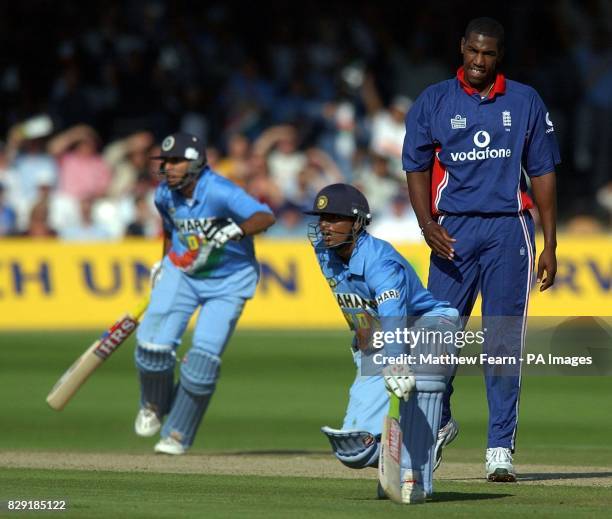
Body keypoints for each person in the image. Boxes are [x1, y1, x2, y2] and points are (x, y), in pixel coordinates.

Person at [403, 17, 560, 482]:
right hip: (452, 233)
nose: (478, 60)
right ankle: (438, 423)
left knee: (502, 344)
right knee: (437, 343)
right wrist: (426, 222)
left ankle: (499, 450)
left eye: (488, 54)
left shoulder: (525, 100)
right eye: (473, 51)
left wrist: (551, 242)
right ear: (462, 48)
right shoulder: (434, 100)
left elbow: (544, 173)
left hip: (509, 231)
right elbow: (414, 166)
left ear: (499, 56)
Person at [305, 183, 459, 503]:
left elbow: (393, 314)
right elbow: (352, 302)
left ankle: (422, 459)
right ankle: (406, 455)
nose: (324, 226)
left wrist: (395, 360)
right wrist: (364, 337)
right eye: (322, 218)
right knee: (354, 449)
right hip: (381, 331)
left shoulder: (380, 262)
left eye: (334, 218)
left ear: (358, 222)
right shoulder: (324, 252)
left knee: (423, 379)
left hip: (431, 322)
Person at [134, 132, 275, 455]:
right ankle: (153, 404)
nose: (168, 168)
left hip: (229, 281)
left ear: (196, 162)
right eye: (165, 162)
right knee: (152, 347)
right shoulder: (164, 195)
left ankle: (178, 432)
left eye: (176, 161)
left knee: (201, 363)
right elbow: (171, 229)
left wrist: (237, 228)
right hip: (183, 272)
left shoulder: (220, 190)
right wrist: (163, 262)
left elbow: (265, 215)